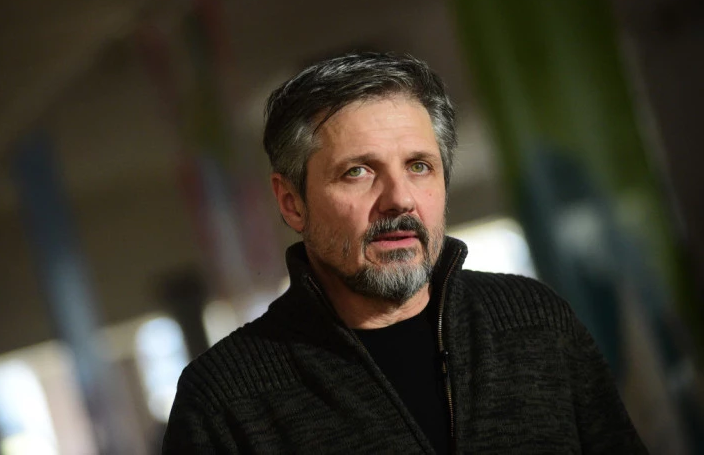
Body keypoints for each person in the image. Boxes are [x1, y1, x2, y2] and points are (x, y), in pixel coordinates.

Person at [162, 52, 647, 454]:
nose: (399, 199)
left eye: (419, 166)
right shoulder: (225, 401)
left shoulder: (535, 322)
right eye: (357, 171)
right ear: (292, 202)